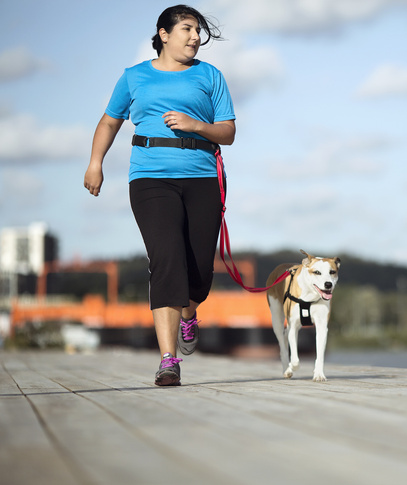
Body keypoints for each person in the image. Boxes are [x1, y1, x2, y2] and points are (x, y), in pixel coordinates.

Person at [83, 5, 236, 386]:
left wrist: (196, 125)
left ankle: (189, 314)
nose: (195, 37)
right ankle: (168, 359)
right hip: (150, 179)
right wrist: (95, 163)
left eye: (198, 31)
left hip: (202, 178)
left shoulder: (210, 76)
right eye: (187, 29)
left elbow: (228, 132)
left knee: (198, 271)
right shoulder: (134, 77)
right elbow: (109, 121)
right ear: (164, 34)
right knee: (166, 259)